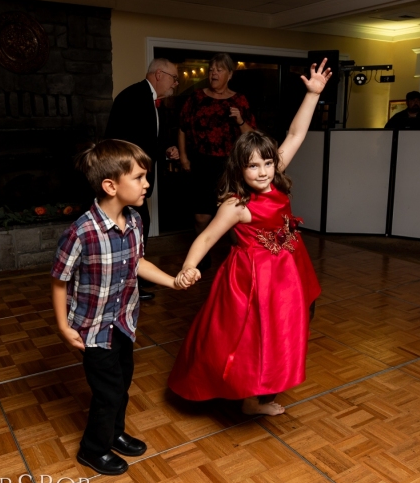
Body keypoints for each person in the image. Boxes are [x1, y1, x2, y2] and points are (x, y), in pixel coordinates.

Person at [167, 59, 332, 416]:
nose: (262, 172)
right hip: (253, 278)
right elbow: (207, 237)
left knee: (286, 329)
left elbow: (296, 134)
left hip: (289, 266)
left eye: (267, 164)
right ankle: (248, 400)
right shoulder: (237, 204)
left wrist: (312, 94)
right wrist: (189, 267)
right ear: (240, 169)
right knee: (251, 337)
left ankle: (262, 394)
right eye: (253, 166)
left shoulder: (276, 176)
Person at [51, 140, 194, 475]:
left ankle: (113, 433)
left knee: (123, 380)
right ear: (111, 186)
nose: (147, 184)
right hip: (93, 329)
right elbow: (59, 281)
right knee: (108, 390)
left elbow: (137, 262)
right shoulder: (81, 232)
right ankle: (93, 449)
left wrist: (172, 281)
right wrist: (62, 326)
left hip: (123, 321)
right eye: (140, 177)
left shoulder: (134, 222)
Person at [104, 58, 181, 300]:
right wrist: (127, 176)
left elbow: (147, 139)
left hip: (137, 178)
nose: (176, 83)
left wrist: (165, 150)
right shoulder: (132, 97)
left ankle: (134, 281)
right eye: (174, 78)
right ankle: (129, 285)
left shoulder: (151, 101)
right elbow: (120, 140)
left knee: (138, 226)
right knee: (134, 227)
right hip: (126, 178)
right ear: (159, 74)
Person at [178, 52, 256, 269]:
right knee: (201, 217)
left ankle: (241, 260)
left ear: (229, 74)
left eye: (219, 69)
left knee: (233, 216)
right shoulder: (196, 98)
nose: (213, 73)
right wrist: (183, 156)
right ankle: (201, 258)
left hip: (230, 167)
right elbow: (182, 128)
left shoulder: (239, 100)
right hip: (201, 163)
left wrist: (240, 120)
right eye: (211, 69)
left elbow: (250, 135)